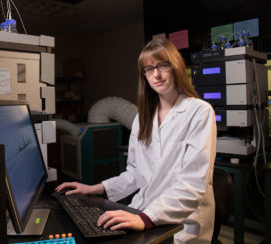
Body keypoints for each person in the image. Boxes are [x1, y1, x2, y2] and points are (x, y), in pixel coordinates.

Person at [55, 37, 217, 243]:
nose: (156, 74)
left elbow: (192, 184)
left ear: (175, 66)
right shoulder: (143, 118)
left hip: (182, 222)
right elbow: (136, 173)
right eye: (148, 69)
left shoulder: (199, 111)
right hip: (144, 210)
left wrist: (146, 219)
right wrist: (93, 189)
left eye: (162, 65)